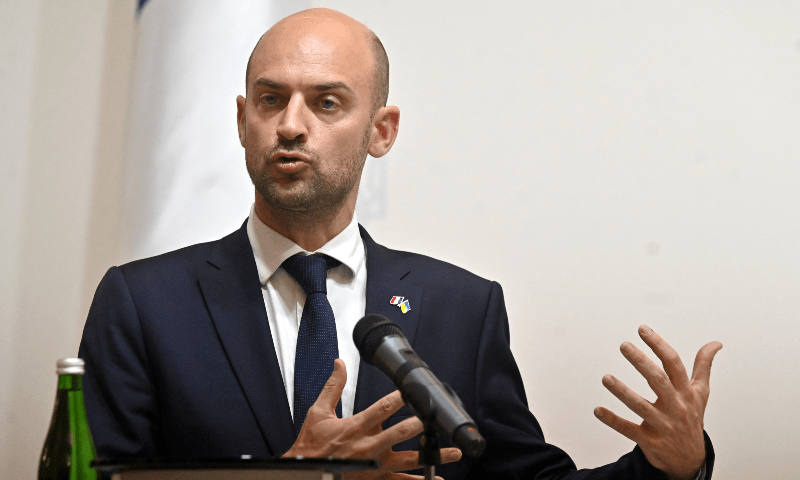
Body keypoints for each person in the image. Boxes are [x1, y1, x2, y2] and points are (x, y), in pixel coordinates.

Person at [79, 8, 721, 480]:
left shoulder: (462, 309)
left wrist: (671, 468)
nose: (292, 126)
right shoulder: (142, 303)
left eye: (326, 102)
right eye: (271, 101)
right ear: (243, 122)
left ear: (381, 131)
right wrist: (295, 474)